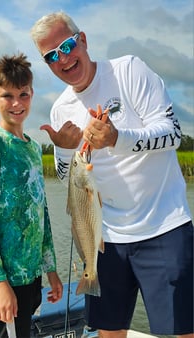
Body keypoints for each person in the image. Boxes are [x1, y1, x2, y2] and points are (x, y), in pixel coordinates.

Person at [30, 11, 193, 338]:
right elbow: (67, 179)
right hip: (104, 239)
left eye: (66, 46)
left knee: (184, 330)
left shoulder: (128, 70)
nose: (62, 59)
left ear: (83, 40)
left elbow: (172, 133)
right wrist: (63, 149)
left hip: (164, 225)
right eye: (51, 56)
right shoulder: (61, 109)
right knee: (108, 331)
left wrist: (117, 138)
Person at [0, 53, 63, 338]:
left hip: (33, 277)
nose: (16, 103)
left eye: (23, 95)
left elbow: (42, 210)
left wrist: (51, 269)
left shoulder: (35, 149)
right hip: (7, 281)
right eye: (7, 96)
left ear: (32, 94)